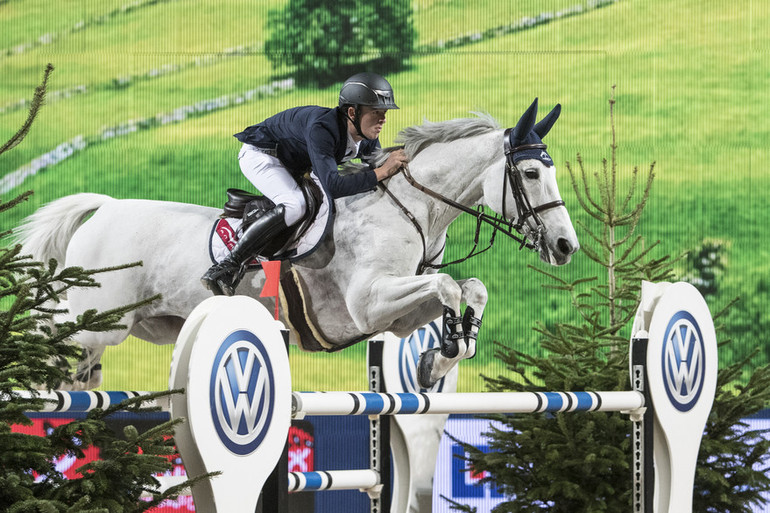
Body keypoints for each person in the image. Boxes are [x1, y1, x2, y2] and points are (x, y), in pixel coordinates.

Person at [201, 72, 409, 296]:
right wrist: (382, 170)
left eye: (385, 112)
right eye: (376, 112)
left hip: (294, 162)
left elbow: (376, 176)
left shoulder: (366, 138)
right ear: (352, 112)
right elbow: (334, 186)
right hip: (261, 155)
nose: (383, 119)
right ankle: (227, 266)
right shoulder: (323, 129)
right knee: (295, 204)